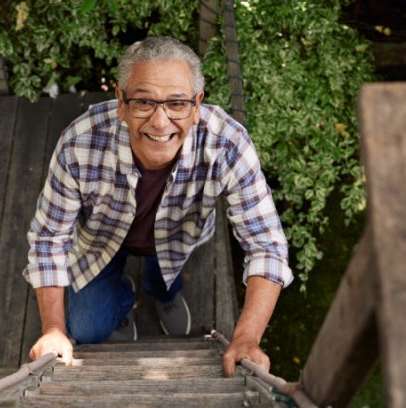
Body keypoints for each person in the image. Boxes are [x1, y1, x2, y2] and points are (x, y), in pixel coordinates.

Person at [23, 36, 292, 377]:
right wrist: (53, 330)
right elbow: (49, 238)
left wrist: (247, 338)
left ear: (197, 106)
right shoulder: (79, 142)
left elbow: (266, 243)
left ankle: (163, 295)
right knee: (85, 330)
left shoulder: (229, 143)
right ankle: (125, 297)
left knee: (164, 280)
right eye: (144, 102)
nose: (160, 122)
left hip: (178, 238)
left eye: (177, 103)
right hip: (102, 239)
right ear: (121, 102)